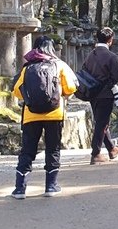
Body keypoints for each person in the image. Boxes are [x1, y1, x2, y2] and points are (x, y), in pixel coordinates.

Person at [10, 35, 77, 199]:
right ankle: (51, 186)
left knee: (27, 150)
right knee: (52, 148)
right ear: (52, 48)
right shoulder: (59, 65)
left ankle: (20, 189)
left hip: (31, 115)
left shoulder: (27, 67)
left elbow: (17, 90)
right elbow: (70, 87)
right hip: (54, 113)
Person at [81, 27, 118, 164]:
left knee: (101, 122)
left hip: (92, 93)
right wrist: (109, 82)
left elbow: (84, 71)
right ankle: (95, 153)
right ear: (110, 40)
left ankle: (112, 149)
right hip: (106, 94)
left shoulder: (90, 55)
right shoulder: (111, 56)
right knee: (102, 123)